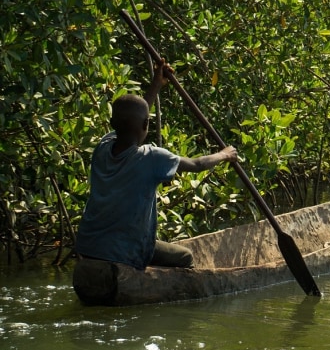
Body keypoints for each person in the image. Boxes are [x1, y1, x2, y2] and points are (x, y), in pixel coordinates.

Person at [76, 60, 238, 269]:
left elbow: (133, 118)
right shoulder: (151, 158)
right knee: (186, 257)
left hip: (87, 246)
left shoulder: (103, 147)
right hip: (123, 252)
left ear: (112, 124)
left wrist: (156, 85)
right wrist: (224, 154)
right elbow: (197, 164)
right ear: (146, 125)